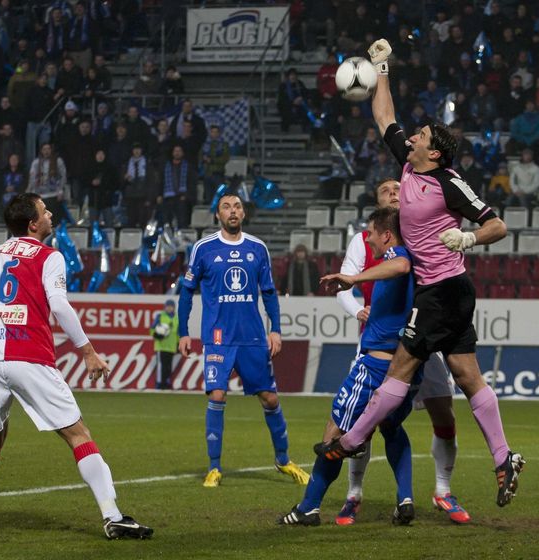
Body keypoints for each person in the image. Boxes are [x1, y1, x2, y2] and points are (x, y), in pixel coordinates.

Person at [316, 38, 525, 510]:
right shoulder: (408, 168)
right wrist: (382, 68)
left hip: (443, 291)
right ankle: (503, 455)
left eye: (422, 137)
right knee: (469, 376)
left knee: (400, 368)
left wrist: (469, 238)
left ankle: (349, 441)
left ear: (434, 153)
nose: (412, 138)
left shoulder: (449, 183)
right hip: (447, 294)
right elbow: (384, 116)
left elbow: (497, 224)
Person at [0, 193, 151, 539]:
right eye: (44, 210)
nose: (50, 214)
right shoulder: (50, 256)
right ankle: (112, 516)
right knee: (79, 435)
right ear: (34, 224)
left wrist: (2, 318)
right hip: (29, 356)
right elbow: (61, 307)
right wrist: (87, 351)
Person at [331, 177, 469, 526]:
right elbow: (344, 284)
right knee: (364, 418)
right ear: (377, 205)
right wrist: (356, 310)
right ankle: (353, 494)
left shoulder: (424, 234)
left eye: (397, 189)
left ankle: (442, 490)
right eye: (385, 191)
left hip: (422, 342)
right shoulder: (365, 239)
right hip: (378, 345)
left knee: (445, 415)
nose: (394, 193)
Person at [278, 208, 420, 527]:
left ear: (386, 234)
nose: (367, 238)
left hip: (376, 366)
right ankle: (406, 498)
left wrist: (354, 278)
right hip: (407, 370)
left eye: (370, 232)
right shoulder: (419, 257)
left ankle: (308, 508)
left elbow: (400, 264)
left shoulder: (399, 256)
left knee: (335, 428)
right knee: (391, 427)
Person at [178, 193, 310, 488]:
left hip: (252, 337)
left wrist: (275, 329)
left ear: (244, 214)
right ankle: (214, 467)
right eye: (226, 207)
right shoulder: (204, 249)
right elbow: (186, 291)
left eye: (237, 206)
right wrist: (183, 332)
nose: (232, 211)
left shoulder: (257, 248)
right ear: (218, 215)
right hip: (218, 337)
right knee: (217, 395)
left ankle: (284, 460)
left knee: (270, 398)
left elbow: (269, 293)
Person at [151, 299, 179, 390]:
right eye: (168, 306)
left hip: (171, 347)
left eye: (171, 306)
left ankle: (166, 382)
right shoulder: (160, 316)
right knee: (160, 366)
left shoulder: (176, 318)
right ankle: (159, 384)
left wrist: (179, 344)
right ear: (165, 307)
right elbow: (152, 328)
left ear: (174, 308)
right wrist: (155, 334)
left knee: (168, 367)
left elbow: (178, 332)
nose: (169, 308)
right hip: (161, 346)